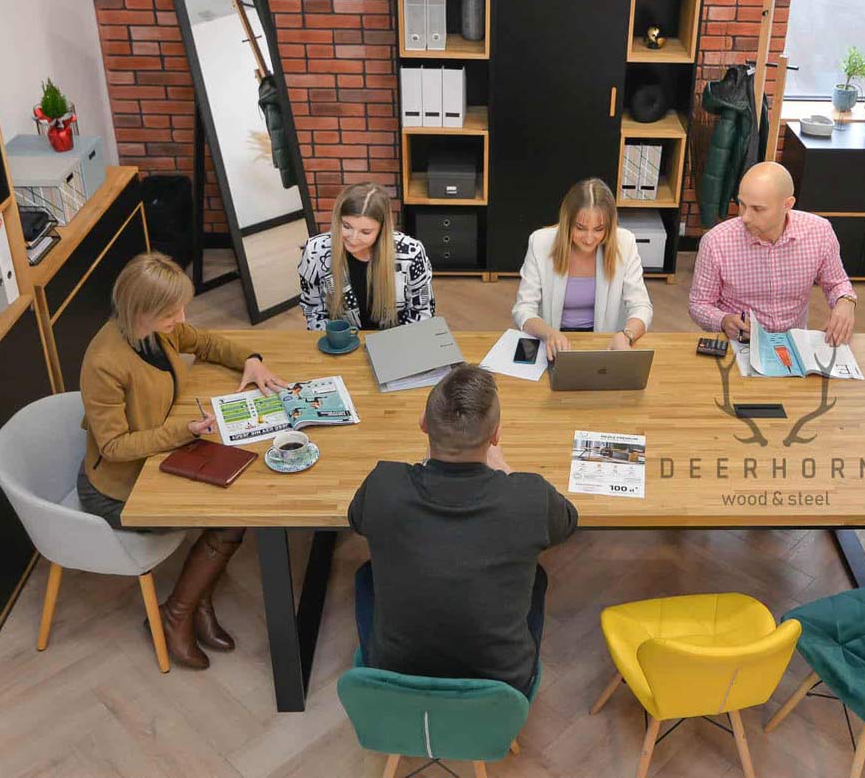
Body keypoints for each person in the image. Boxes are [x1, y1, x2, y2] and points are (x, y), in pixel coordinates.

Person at [79, 251, 287, 669]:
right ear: (142, 310)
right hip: (121, 488)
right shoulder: (105, 361)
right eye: (172, 311)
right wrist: (182, 432)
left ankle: (195, 604)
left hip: (160, 458)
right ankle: (176, 613)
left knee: (237, 493)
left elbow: (204, 341)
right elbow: (113, 448)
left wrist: (250, 359)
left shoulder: (158, 331)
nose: (182, 317)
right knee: (231, 512)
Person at [347, 364, 578, 693]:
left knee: (365, 574)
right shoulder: (530, 496)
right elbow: (568, 523)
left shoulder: (384, 484)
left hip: (395, 674)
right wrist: (508, 473)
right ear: (496, 435)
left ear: (423, 424)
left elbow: (358, 520)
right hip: (503, 685)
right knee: (537, 577)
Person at [689, 161, 857, 346]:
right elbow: (699, 304)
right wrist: (723, 320)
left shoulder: (819, 232)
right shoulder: (716, 242)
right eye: (742, 204)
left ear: (787, 204)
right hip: (740, 344)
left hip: (794, 343)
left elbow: (837, 283)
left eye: (758, 209)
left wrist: (846, 302)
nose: (744, 217)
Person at [512, 177, 653, 360]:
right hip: (552, 343)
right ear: (567, 222)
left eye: (599, 229)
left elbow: (641, 306)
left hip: (603, 344)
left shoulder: (625, 243)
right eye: (580, 228)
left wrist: (626, 335)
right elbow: (523, 309)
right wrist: (549, 333)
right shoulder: (540, 242)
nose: (589, 238)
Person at [297, 181, 435, 332]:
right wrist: (335, 340)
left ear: (382, 230)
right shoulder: (315, 251)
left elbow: (422, 311)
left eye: (366, 232)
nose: (353, 238)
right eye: (347, 226)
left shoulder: (411, 253)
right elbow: (313, 309)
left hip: (397, 342)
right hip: (340, 343)